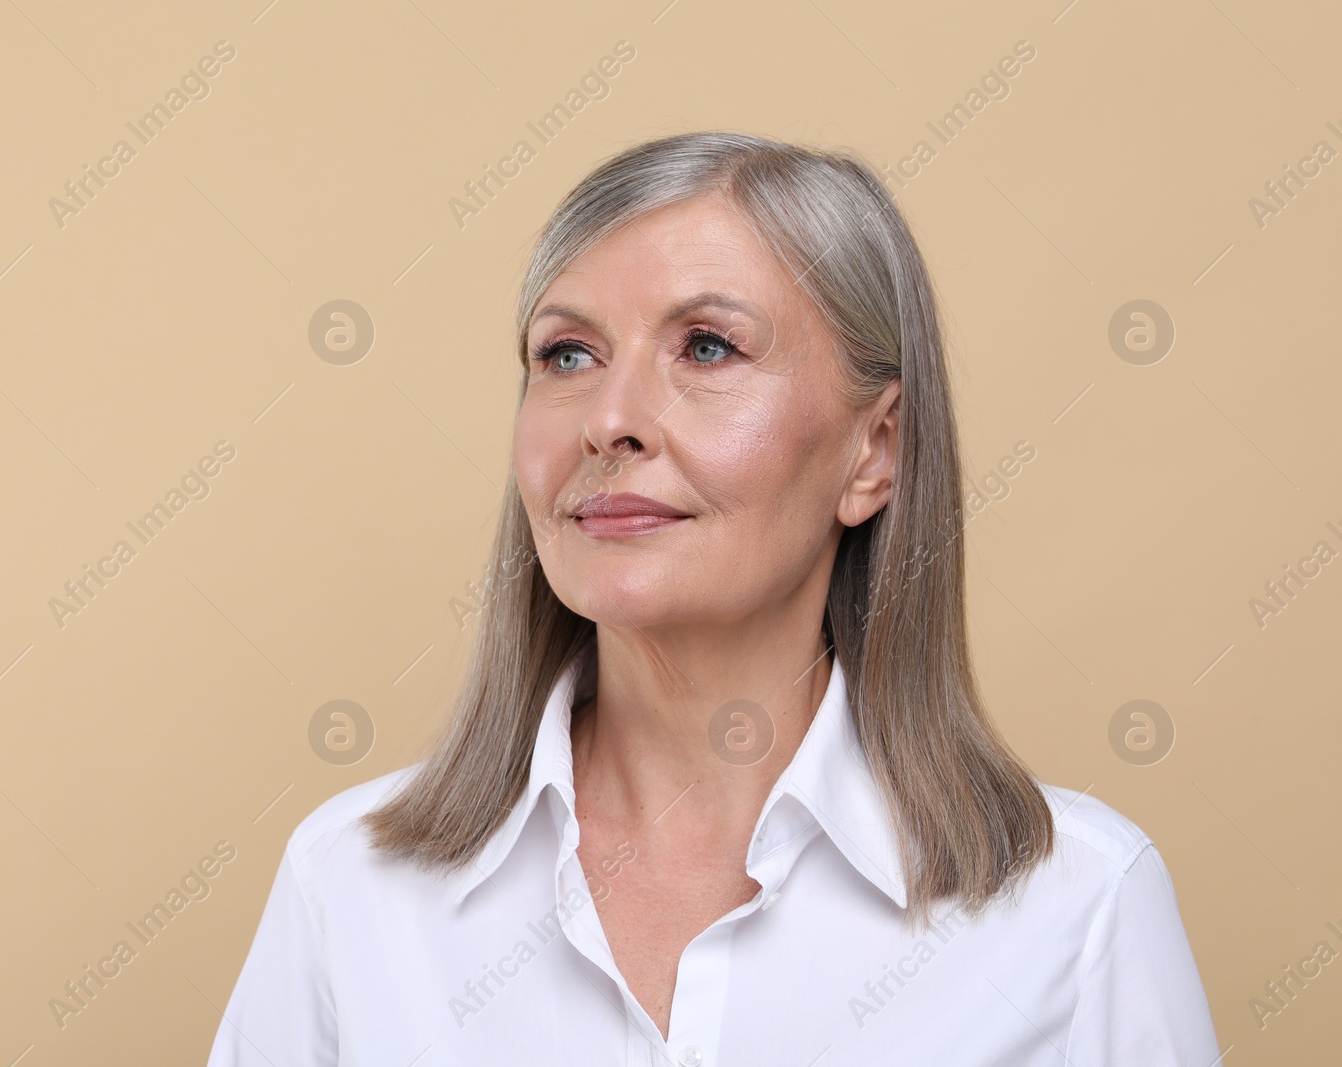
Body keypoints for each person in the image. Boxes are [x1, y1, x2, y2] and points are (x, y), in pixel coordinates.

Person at [205, 131, 1220, 1065]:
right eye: (567, 354)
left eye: (705, 347)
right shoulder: (349, 882)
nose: (608, 419)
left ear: (877, 449)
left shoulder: (1076, 905)